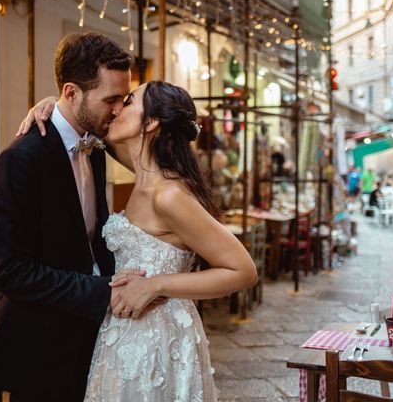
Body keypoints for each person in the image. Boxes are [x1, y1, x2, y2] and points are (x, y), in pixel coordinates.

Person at [18, 80, 257, 401]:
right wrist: (54, 103)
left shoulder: (169, 194)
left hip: (158, 335)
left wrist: (154, 285)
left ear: (152, 122)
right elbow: (82, 124)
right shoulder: (145, 172)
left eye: (128, 102)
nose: (117, 109)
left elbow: (243, 270)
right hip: (124, 329)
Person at [0, 33, 147, 401]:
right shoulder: (20, 160)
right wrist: (101, 291)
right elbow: (10, 271)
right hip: (41, 347)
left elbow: (89, 238)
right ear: (71, 93)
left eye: (123, 99)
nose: (119, 109)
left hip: (92, 335)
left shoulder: (96, 146)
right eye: (111, 99)